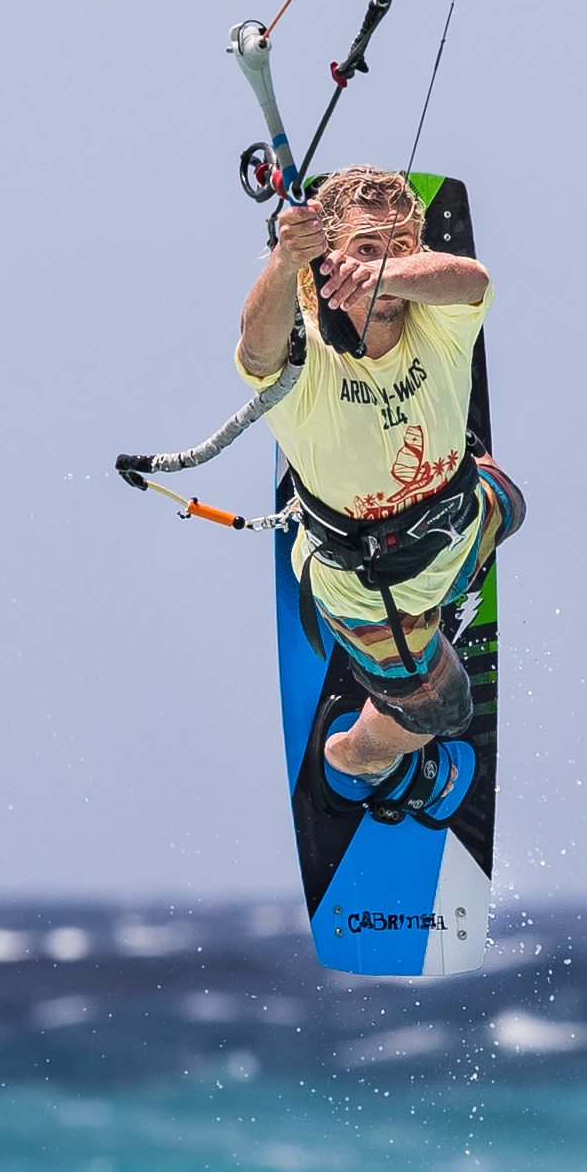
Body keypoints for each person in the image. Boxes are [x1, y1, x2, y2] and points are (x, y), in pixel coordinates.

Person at [235, 165, 524, 823]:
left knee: (509, 503)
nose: (385, 262)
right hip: (374, 589)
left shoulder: (434, 317)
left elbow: (471, 280)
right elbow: (256, 351)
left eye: (402, 246)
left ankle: (340, 473)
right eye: (366, 248)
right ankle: (356, 756)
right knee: (443, 710)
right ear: (325, 259)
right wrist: (287, 260)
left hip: (457, 516)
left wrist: (382, 274)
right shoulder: (300, 362)